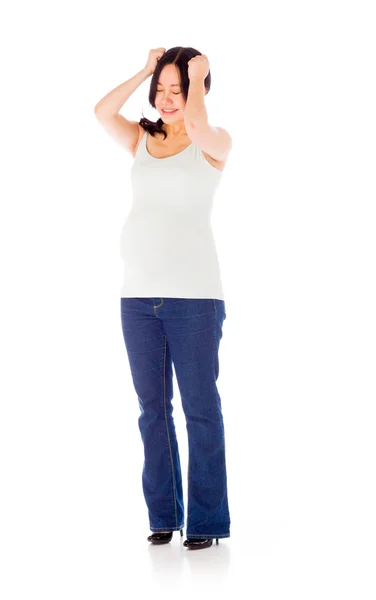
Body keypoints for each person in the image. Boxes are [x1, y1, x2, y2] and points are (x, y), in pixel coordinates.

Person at [94, 46, 232, 550]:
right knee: (152, 409)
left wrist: (195, 74)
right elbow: (102, 112)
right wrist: (143, 69)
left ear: (197, 91)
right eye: (161, 89)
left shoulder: (212, 142)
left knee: (200, 409)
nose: (167, 99)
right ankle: (163, 515)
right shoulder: (142, 141)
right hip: (137, 298)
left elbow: (196, 126)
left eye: (179, 89)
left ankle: (207, 522)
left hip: (194, 297)